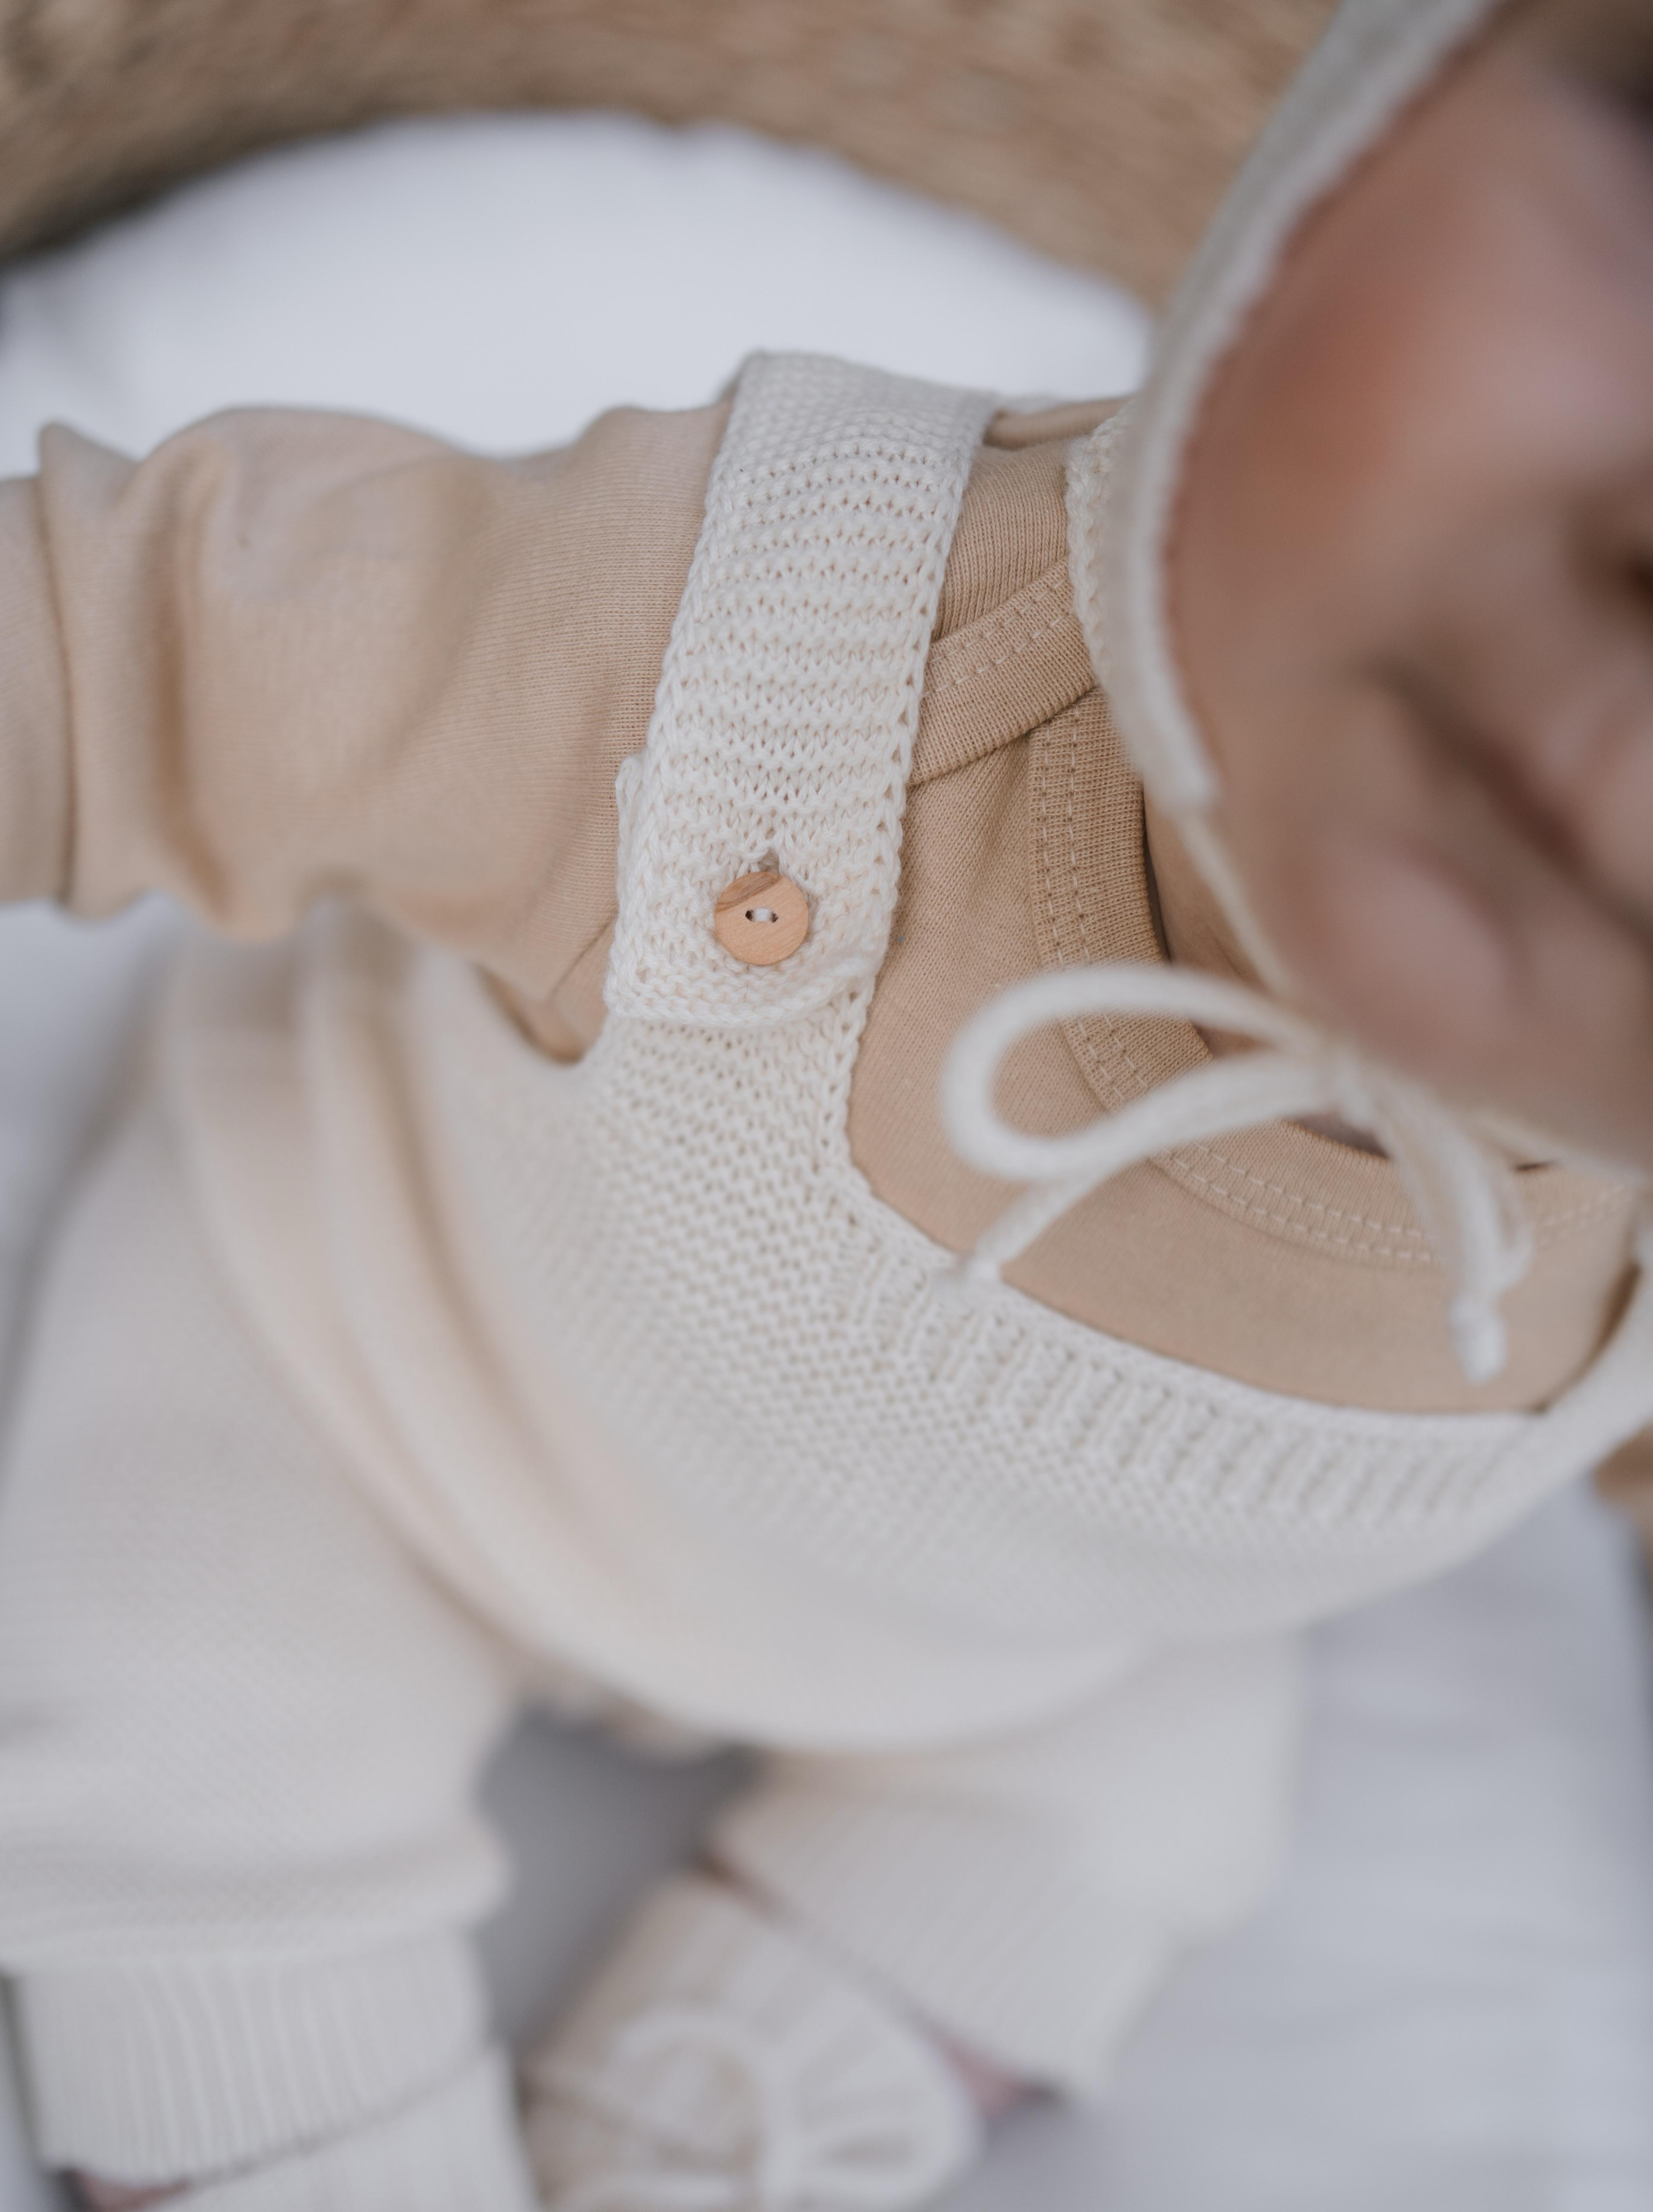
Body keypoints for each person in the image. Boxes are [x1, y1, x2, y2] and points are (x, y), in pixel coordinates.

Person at [3, 0, 1652, 2203]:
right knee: (181, 1720)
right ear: (1369, 114)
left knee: (1132, 1818)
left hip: (1032, 1641)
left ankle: (710, 2111)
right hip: (379, 1363)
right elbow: (141, 643)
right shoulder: (754, 656)